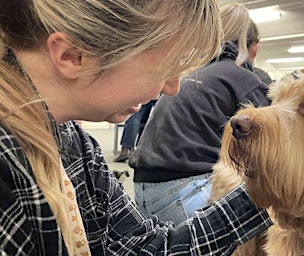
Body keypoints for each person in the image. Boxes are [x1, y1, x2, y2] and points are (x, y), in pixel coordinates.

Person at [0, 0, 272, 255]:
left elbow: (139, 247)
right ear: (72, 55)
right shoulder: (8, 165)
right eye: (163, 68)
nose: (172, 88)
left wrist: (266, 193)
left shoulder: (77, 145)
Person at [129, 3, 270, 224]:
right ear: (255, 48)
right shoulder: (242, 79)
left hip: (142, 189)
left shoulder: (194, 73)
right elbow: (275, 146)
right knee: (278, 207)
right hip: (183, 191)